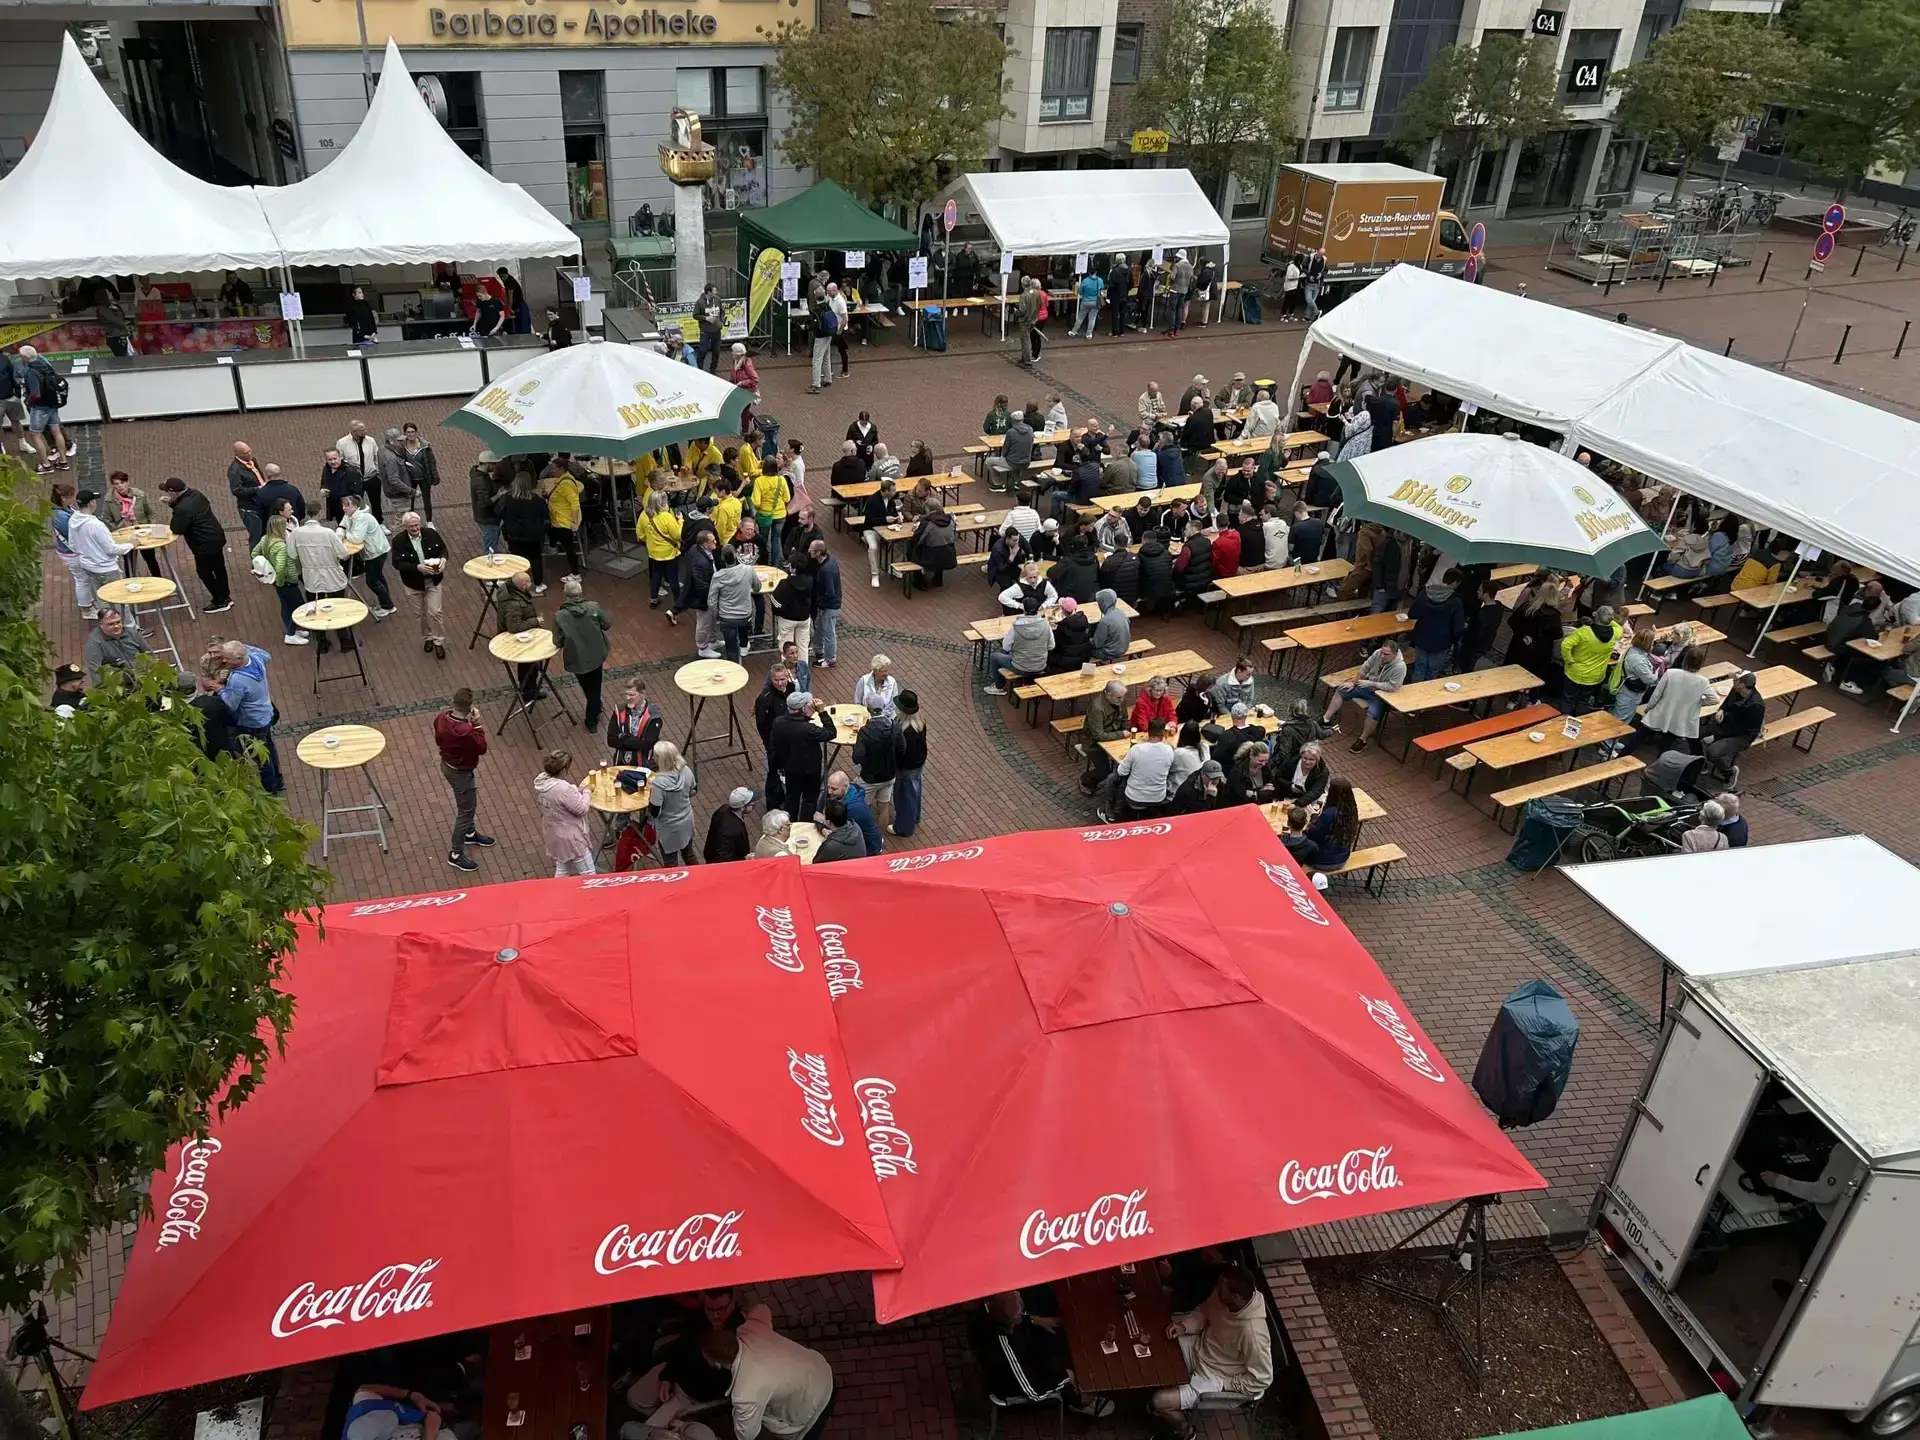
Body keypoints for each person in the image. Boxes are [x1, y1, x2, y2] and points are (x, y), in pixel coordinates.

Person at [969, 1290, 1116, 1419]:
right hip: (1016, 1384)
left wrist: (1036, 1320)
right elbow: (1033, 1391)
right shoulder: (1005, 1349)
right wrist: (1066, 1378)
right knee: (1067, 1374)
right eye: (1020, 1310)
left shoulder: (991, 1309)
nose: (1022, 1303)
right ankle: (1077, 1401)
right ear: (1011, 1324)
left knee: (1054, 1338)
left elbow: (1012, 1317)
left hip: (1023, 1355)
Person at [433, 688, 493, 872]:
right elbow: (481, 747)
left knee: (467, 807)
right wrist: (477, 724)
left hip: (449, 765)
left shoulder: (441, 718)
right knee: (465, 812)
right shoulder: (466, 730)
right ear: (469, 707)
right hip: (461, 773)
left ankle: (470, 833)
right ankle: (456, 854)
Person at [213, 641, 284, 793]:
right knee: (268, 748)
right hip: (265, 714)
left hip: (250, 722)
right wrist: (242, 646)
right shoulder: (255, 658)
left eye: (227, 659)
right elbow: (266, 655)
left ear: (239, 659)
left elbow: (231, 703)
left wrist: (220, 689)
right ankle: (278, 780)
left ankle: (271, 789)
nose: (224, 661)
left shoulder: (238, 680)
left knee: (260, 757)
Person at [158, 477, 232, 613]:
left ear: (173, 493)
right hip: (216, 536)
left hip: (202, 543)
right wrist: (173, 504)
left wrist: (173, 505)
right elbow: (189, 511)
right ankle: (225, 595)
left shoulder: (182, 508)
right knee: (219, 568)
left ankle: (220, 601)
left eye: (168, 492)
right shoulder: (197, 494)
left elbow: (177, 528)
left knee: (204, 572)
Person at [549, 576, 612, 732]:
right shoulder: (593, 607)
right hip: (596, 653)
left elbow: (557, 641)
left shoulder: (560, 616)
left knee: (587, 685)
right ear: (580, 592)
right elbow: (607, 624)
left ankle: (592, 714)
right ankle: (592, 716)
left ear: (565, 594)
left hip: (576, 657)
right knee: (595, 686)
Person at [289, 513, 356, 654]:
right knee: (339, 608)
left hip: (311, 578)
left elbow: (292, 554)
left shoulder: (296, 533)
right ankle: (345, 641)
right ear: (319, 514)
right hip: (333, 576)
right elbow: (343, 554)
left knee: (314, 611)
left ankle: (322, 643)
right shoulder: (328, 533)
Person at [1324, 638, 1406, 753]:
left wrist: (1372, 683)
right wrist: (1353, 683)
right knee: (1342, 689)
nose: (1382, 656)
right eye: (1382, 652)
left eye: (1386, 654)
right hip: (1367, 686)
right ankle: (1325, 719)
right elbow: (1365, 668)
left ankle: (1362, 740)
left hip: (1382, 695)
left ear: (1394, 654)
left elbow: (1393, 687)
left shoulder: (1400, 667)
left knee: (1373, 714)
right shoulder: (1377, 653)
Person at [1632, 647, 1717, 754]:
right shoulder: (1703, 681)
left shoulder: (1671, 673)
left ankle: (1621, 756)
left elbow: (1656, 695)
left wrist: (1649, 707)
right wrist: (1697, 702)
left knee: (1638, 738)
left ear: (1685, 659)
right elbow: (1714, 699)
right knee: (1665, 747)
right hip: (1678, 720)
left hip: (1660, 712)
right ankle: (1660, 763)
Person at [390, 511, 451, 659]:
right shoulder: (398, 541)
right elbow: (397, 563)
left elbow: (443, 549)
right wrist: (417, 567)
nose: (415, 528)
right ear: (405, 526)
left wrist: (443, 559)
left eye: (416, 525)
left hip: (433, 581)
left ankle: (438, 641)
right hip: (413, 584)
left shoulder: (430, 534)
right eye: (411, 526)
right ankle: (427, 637)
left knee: (435, 612)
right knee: (420, 614)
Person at [769, 692, 835, 822]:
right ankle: (805, 824)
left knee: (791, 798)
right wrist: (822, 712)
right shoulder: (808, 729)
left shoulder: (778, 722)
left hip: (790, 768)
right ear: (802, 708)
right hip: (810, 771)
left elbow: (774, 746)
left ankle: (790, 824)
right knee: (810, 800)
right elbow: (831, 732)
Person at [534, 750, 596, 877]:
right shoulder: (563, 789)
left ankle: (558, 890)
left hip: (555, 834)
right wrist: (587, 792)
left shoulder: (542, 783)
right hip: (571, 839)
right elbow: (581, 809)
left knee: (562, 870)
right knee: (589, 875)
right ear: (563, 770)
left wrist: (576, 790)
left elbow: (561, 798)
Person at [249, 514, 306, 644]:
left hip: (276, 580)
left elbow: (254, 553)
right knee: (298, 607)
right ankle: (291, 634)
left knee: (286, 606)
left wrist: (267, 567)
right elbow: (280, 568)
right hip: (287, 581)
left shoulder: (265, 539)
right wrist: (280, 581)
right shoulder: (281, 546)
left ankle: (293, 630)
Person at [337, 493, 395, 618]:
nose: (344, 508)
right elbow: (342, 525)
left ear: (356, 506)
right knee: (378, 578)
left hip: (375, 552)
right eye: (343, 505)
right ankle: (386, 603)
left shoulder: (362, 518)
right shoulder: (351, 515)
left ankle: (387, 605)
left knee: (372, 581)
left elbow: (357, 538)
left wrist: (345, 533)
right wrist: (342, 530)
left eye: (347, 506)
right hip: (377, 550)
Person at [1701, 668, 1764, 782]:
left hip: (1741, 736)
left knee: (1713, 751)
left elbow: (1750, 730)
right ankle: (1701, 761)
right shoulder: (1735, 690)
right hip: (1725, 726)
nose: (1733, 682)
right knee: (1695, 733)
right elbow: (1727, 703)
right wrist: (1721, 710)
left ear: (1742, 685)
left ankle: (1728, 772)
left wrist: (1718, 734)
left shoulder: (1755, 705)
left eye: (1735, 680)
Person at [1107, 717, 1175, 821]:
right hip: (1158, 798)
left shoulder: (1136, 749)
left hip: (1134, 798)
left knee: (1114, 778)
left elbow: (1121, 772)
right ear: (1163, 732)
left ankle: (1113, 812)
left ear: (1148, 731)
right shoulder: (1169, 750)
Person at [18, 345, 70, 475]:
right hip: (52, 404)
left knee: (35, 434)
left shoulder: (31, 372)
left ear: (24, 358)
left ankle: (46, 465)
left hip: (40, 407)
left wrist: (28, 402)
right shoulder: (44, 363)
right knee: (56, 430)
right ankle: (63, 461)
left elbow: (35, 393)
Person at [1559, 604, 1620, 714]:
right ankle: (1580, 720)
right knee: (1584, 701)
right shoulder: (1616, 632)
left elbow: (1565, 645)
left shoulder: (1583, 632)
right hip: (1595, 675)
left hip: (1575, 671)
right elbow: (1616, 625)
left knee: (1568, 699)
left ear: (1595, 615)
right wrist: (1609, 618)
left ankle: (1564, 720)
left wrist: (1569, 660)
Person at [497, 472, 551, 594]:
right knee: (535, 559)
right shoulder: (537, 500)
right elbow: (545, 514)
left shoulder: (507, 499)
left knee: (516, 559)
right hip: (533, 536)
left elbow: (498, 512)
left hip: (514, 536)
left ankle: (517, 583)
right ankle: (538, 584)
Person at [1407, 573, 1466, 681]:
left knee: (1419, 669)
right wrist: (1453, 641)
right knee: (1432, 672)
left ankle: (1415, 690)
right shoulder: (1455, 602)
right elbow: (1458, 628)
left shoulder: (1425, 593)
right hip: (1442, 643)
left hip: (1422, 638)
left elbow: (1412, 614)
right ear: (1455, 583)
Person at [648, 740, 699, 866]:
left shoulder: (659, 784)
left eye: (655, 756)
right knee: (688, 853)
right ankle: (698, 875)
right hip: (686, 822)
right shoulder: (686, 771)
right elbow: (694, 790)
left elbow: (655, 812)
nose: (653, 758)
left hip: (668, 828)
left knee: (670, 862)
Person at [637, 491, 683, 613]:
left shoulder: (644, 515)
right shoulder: (666, 516)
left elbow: (640, 534)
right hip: (669, 553)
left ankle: (654, 599)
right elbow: (677, 535)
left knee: (656, 576)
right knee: (673, 578)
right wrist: (680, 522)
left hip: (653, 552)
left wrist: (650, 540)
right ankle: (678, 602)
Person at [889, 690, 927, 838]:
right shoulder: (919, 723)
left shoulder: (906, 731)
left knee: (905, 797)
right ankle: (914, 817)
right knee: (914, 792)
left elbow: (903, 754)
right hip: (917, 765)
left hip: (906, 768)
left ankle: (904, 827)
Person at [541, 460, 584, 582]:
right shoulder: (563, 480)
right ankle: (552, 546)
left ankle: (575, 574)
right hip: (559, 520)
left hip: (564, 522)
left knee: (569, 549)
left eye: (554, 468)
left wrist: (574, 522)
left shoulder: (566, 484)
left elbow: (575, 504)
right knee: (561, 541)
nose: (552, 470)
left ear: (561, 469)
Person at [83, 608, 149, 687]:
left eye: (118, 622)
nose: (116, 626)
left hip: (143, 678)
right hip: (119, 686)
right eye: (111, 624)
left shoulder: (132, 633)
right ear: (101, 624)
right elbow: (97, 672)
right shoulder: (95, 644)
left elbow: (148, 654)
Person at [1305, 778, 1360, 869]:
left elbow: (1312, 833)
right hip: (1342, 859)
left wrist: (1313, 817)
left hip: (1322, 861)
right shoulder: (1351, 810)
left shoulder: (1329, 814)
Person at [1609, 625, 1658, 724]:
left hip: (1625, 690)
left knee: (1619, 714)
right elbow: (1650, 680)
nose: (1653, 645)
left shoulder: (1632, 649)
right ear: (1647, 644)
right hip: (1629, 695)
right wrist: (1657, 672)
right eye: (1652, 642)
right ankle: (1611, 735)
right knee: (1621, 720)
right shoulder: (1638, 661)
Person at [807, 539, 843, 669]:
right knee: (819, 627)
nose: (808, 551)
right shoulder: (830, 560)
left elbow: (830, 593)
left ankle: (830, 659)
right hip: (826, 605)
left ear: (818, 553)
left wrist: (820, 603)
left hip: (829, 607)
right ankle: (818, 650)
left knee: (829, 633)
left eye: (811, 549)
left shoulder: (825, 570)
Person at [606, 681, 660, 767]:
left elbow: (646, 745)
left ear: (642, 693)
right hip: (621, 763)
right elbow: (611, 740)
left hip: (643, 765)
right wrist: (636, 741)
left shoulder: (653, 716)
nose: (628, 698)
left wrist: (622, 737)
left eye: (632, 695)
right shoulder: (619, 710)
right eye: (626, 694)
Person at [906, 503, 958, 590]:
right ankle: (938, 579)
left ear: (928, 510)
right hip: (949, 555)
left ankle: (920, 582)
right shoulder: (951, 520)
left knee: (911, 551)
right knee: (940, 545)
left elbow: (917, 540)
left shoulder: (927, 523)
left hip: (930, 558)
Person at [702, 786, 756, 864]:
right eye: (752, 803)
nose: (754, 804)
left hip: (710, 853)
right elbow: (722, 860)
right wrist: (744, 859)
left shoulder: (723, 809)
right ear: (742, 807)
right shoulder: (732, 832)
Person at [318, 447, 365, 524]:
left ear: (340, 457)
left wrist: (350, 507)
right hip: (336, 508)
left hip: (349, 510)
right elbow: (323, 483)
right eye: (330, 460)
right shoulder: (326, 469)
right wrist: (323, 489)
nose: (333, 462)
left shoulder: (350, 472)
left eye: (335, 459)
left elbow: (357, 493)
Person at [1016, 274, 1043, 367]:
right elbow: (1040, 305)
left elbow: (1022, 311)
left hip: (1025, 321)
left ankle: (1026, 360)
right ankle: (1024, 357)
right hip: (1033, 319)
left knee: (1025, 341)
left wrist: (1016, 312)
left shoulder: (1023, 296)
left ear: (1022, 285)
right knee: (1026, 339)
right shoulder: (1036, 293)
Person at [1106, 253, 1132, 335]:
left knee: (1115, 313)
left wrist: (1108, 295)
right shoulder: (1129, 270)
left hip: (1115, 295)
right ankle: (1122, 331)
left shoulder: (1114, 271)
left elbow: (1111, 284)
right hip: (1125, 294)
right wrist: (1126, 290)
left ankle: (1115, 331)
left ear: (1117, 260)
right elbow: (1131, 283)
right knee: (1123, 313)